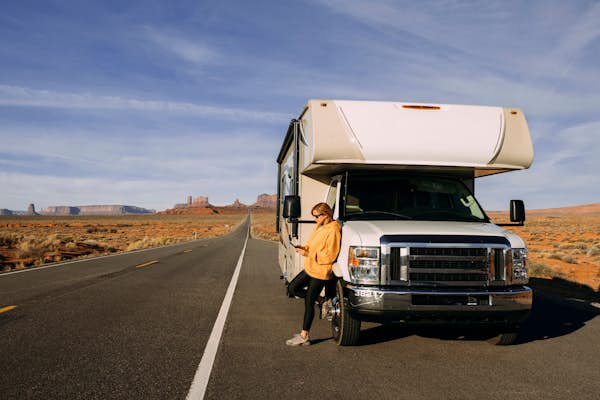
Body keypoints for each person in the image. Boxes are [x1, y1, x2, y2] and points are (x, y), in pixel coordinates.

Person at [286, 202, 341, 346]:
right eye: (314, 216)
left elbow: (331, 255)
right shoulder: (320, 226)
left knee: (308, 302)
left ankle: (305, 335)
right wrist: (303, 248)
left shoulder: (334, 230)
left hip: (321, 271)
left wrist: (308, 253)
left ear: (326, 214)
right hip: (311, 267)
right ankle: (322, 301)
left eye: (317, 216)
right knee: (292, 288)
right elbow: (312, 245)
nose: (315, 219)